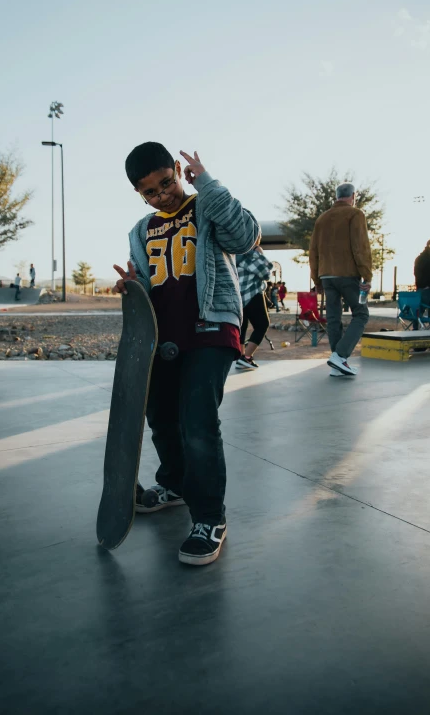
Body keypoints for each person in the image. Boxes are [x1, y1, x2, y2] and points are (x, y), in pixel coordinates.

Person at [113, 142, 258, 566]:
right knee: (159, 414)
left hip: (212, 328)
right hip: (164, 337)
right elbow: (148, 285)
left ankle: (210, 517)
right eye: (150, 192)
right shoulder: (140, 231)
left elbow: (246, 236)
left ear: (178, 170)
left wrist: (207, 183)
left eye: (166, 182)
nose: (162, 195)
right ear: (140, 195)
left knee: (197, 419)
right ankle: (175, 485)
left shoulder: (206, 207)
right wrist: (132, 288)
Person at [309, 182, 372, 377]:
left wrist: (317, 279)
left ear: (336, 196)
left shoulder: (322, 218)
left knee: (334, 318)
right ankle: (340, 355)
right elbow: (360, 247)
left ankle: (339, 362)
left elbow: (313, 252)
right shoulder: (355, 214)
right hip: (347, 274)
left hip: (326, 275)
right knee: (361, 314)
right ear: (353, 196)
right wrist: (367, 274)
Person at [235, 238, 273, 370]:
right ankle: (247, 357)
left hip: (237, 295)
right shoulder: (250, 253)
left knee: (242, 326)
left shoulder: (233, 251)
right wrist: (260, 253)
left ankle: (241, 357)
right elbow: (265, 273)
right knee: (262, 324)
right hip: (252, 293)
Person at [413, 239, 430, 330]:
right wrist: (423, 285)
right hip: (426, 288)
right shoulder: (422, 257)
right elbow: (417, 272)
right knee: (420, 308)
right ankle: (416, 327)